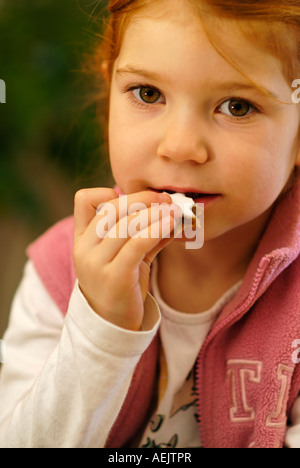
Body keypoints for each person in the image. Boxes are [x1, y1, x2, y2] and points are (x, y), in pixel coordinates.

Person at [0, 0, 300, 448]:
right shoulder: (57, 270)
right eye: (148, 94)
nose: (180, 147)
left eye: (237, 106)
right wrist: (99, 328)